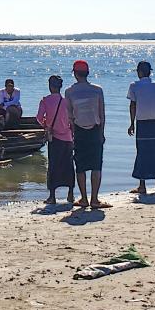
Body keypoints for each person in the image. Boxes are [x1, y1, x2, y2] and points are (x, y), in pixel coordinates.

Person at [66, 60, 109, 209]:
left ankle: (84, 198)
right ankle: (94, 199)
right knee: (96, 165)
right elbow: (102, 114)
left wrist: (71, 134)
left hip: (79, 130)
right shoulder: (97, 90)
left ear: (75, 74)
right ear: (87, 73)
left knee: (81, 166)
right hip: (95, 130)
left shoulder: (70, 91)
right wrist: (102, 133)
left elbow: (70, 116)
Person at [127, 61, 155, 196]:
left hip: (142, 123)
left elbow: (133, 105)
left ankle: (142, 185)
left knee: (142, 153)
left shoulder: (134, 86)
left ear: (139, 72)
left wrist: (131, 123)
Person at [36, 75, 75, 206]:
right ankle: (71, 194)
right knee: (68, 165)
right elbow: (72, 119)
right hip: (68, 137)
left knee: (53, 165)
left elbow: (39, 118)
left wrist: (46, 124)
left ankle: (52, 196)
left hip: (54, 138)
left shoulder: (45, 101)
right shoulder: (66, 101)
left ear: (50, 86)